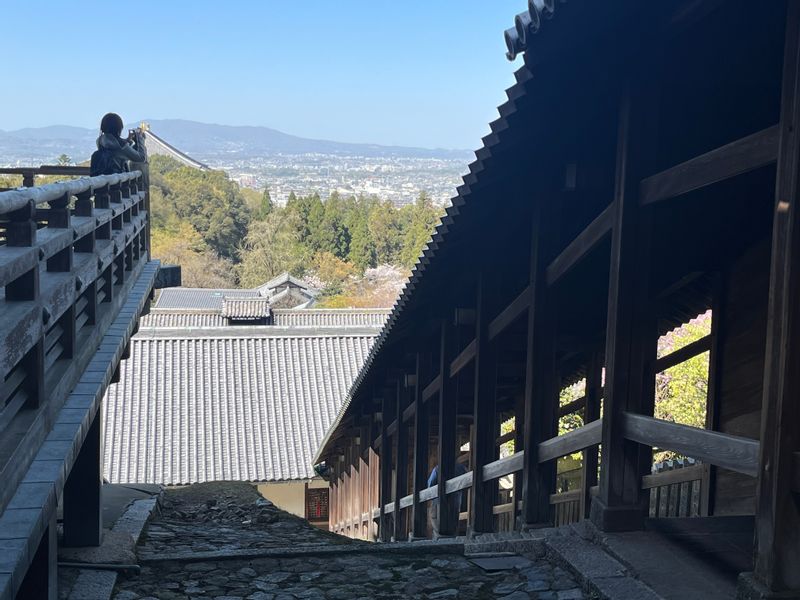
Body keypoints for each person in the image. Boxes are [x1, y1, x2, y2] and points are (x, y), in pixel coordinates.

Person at [427, 460, 468, 538]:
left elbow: (430, 485)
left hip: (438, 503)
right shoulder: (462, 468)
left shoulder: (438, 469)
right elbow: (467, 482)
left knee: (438, 529)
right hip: (456, 503)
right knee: (453, 528)